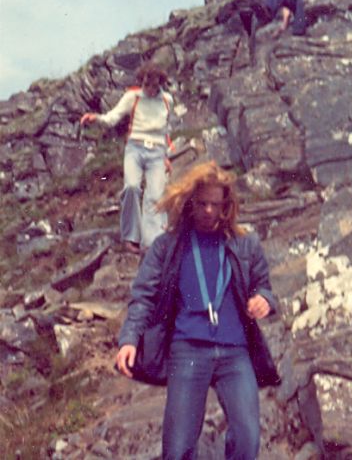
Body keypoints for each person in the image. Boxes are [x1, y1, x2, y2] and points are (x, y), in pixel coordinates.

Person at [115, 160, 280, 459]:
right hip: (188, 350)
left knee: (248, 437)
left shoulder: (246, 243)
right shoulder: (167, 246)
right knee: (177, 448)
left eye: (215, 204)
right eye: (201, 203)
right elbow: (143, 296)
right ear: (189, 202)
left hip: (234, 351)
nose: (208, 211)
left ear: (226, 205)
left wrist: (264, 300)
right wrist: (129, 339)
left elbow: (264, 286)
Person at [80, 62, 174, 253]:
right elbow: (112, 118)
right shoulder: (133, 97)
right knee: (131, 187)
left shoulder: (167, 100)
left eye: (153, 84)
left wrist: (166, 155)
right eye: (145, 84)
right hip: (135, 149)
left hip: (157, 151)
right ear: (141, 81)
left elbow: (166, 129)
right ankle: (131, 237)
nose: (148, 88)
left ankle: (152, 242)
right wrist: (95, 118)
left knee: (155, 196)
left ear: (160, 83)